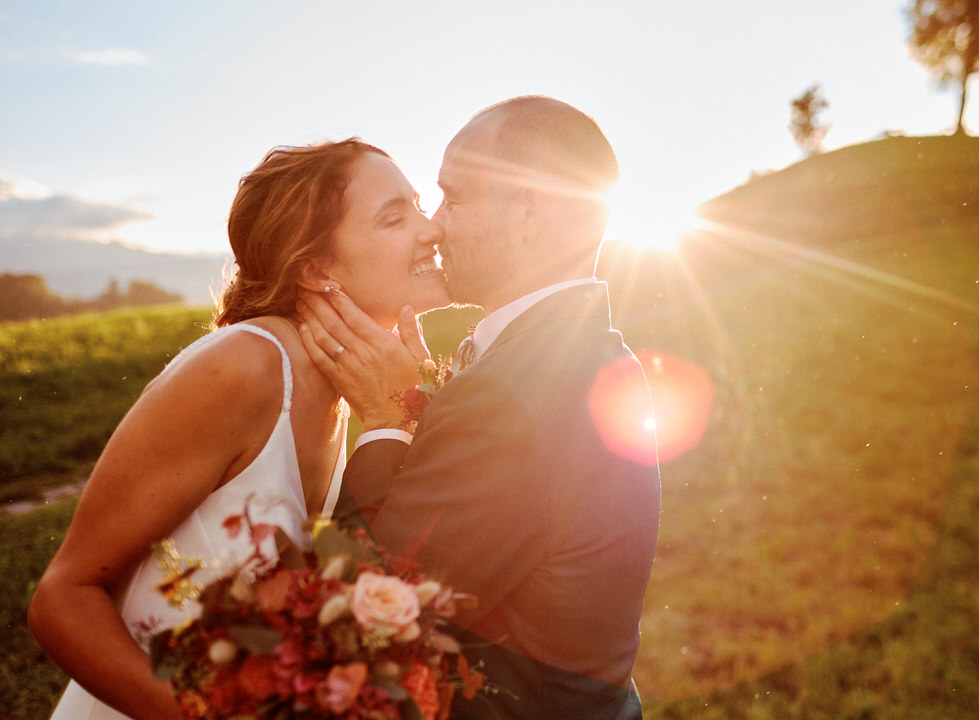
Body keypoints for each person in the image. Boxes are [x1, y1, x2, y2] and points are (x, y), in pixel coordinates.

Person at [28, 138, 449, 720]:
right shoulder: (243, 368)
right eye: (395, 217)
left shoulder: (342, 388)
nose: (433, 231)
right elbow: (60, 598)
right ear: (316, 267)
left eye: (421, 207)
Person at [296, 96, 662, 720]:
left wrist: (386, 422)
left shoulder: (518, 387)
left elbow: (370, 614)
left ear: (525, 213)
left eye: (454, 199)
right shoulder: (586, 354)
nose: (434, 226)